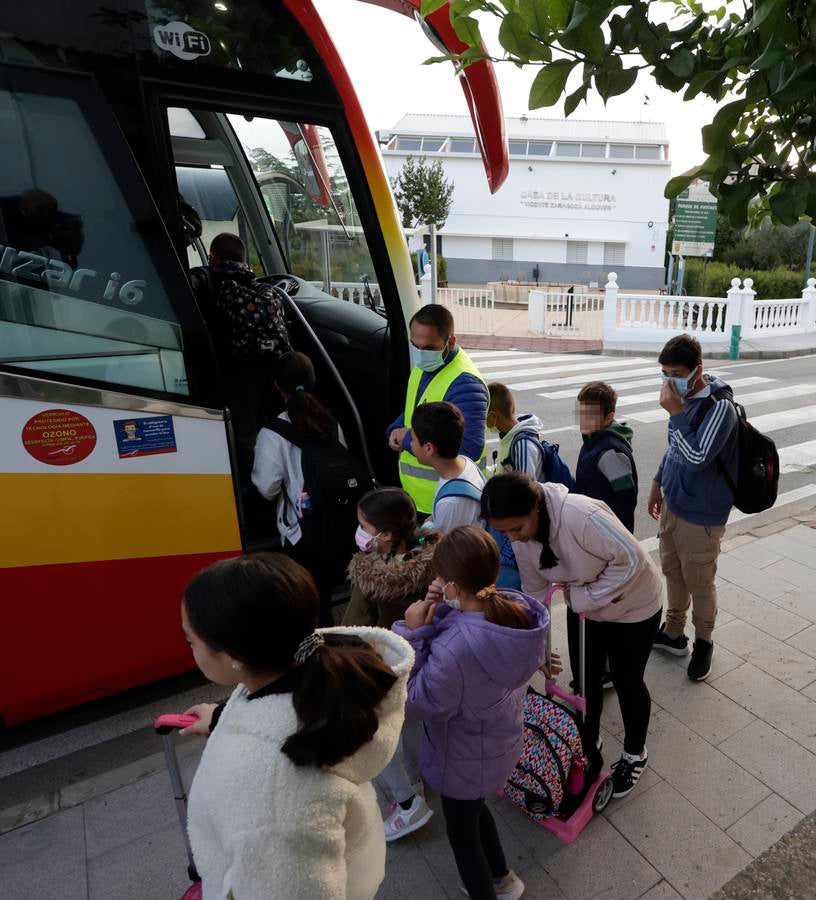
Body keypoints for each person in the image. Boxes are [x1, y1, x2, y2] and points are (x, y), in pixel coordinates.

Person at [178, 553, 413, 900]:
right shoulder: (300, 667)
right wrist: (219, 718)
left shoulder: (272, 801)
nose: (190, 649)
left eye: (191, 640)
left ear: (235, 657)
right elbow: (278, 714)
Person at [482, 473, 662, 799]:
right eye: (504, 532)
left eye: (517, 528)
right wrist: (536, 649)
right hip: (587, 606)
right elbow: (536, 592)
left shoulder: (581, 515)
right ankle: (587, 740)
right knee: (585, 678)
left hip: (634, 604)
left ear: (536, 507)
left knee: (626, 680)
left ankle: (636, 753)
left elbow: (632, 559)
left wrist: (585, 598)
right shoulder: (521, 539)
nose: (513, 538)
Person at [392, 526, 548, 900]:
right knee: (475, 812)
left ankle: (489, 889)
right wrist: (442, 605)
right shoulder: (513, 611)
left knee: (462, 836)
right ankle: (503, 878)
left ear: (453, 586)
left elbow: (414, 701)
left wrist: (412, 632)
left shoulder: (456, 649)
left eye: (439, 578)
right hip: (495, 746)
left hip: (461, 759)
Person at [343, 487, 439, 841]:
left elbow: (354, 630)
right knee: (410, 723)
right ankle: (417, 778)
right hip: (425, 662)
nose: (359, 532)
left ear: (384, 534)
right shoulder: (433, 559)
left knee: (369, 734)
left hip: (384, 670)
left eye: (363, 526)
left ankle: (408, 801)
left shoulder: (370, 576)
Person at [649, 334, 738, 682]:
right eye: (665, 373)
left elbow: (698, 457)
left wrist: (676, 414)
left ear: (698, 369)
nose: (670, 381)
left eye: (677, 373)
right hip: (674, 503)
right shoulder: (681, 401)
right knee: (672, 570)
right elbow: (673, 449)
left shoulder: (719, 408)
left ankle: (704, 641)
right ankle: (673, 632)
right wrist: (657, 483)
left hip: (702, 516)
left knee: (699, 580)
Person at [252, 351, 346, 625]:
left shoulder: (271, 434)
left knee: (308, 602)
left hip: (301, 533)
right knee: (325, 595)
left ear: (277, 386)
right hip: (337, 523)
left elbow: (267, 488)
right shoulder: (331, 422)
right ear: (313, 381)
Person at [387, 304, 488, 517]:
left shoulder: (465, 384)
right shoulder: (424, 367)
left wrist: (406, 438)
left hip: (449, 502)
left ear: (451, 341)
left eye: (429, 348)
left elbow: (468, 450)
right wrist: (395, 428)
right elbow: (415, 410)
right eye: (415, 346)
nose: (421, 354)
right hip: (420, 500)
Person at [410, 401, 485, 534]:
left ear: (428, 448)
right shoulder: (465, 463)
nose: (410, 444)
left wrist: (424, 531)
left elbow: (441, 545)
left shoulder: (451, 503)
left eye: (413, 439)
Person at [574, 381, 638, 534]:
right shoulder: (592, 438)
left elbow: (626, 501)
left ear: (609, 418)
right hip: (592, 522)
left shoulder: (610, 452)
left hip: (606, 531)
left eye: (590, 415)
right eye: (581, 412)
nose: (583, 419)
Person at [486, 381, 574, 487]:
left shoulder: (523, 445)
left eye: (484, 416)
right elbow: (504, 469)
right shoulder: (508, 436)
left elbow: (524, 492)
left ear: (493, 416)